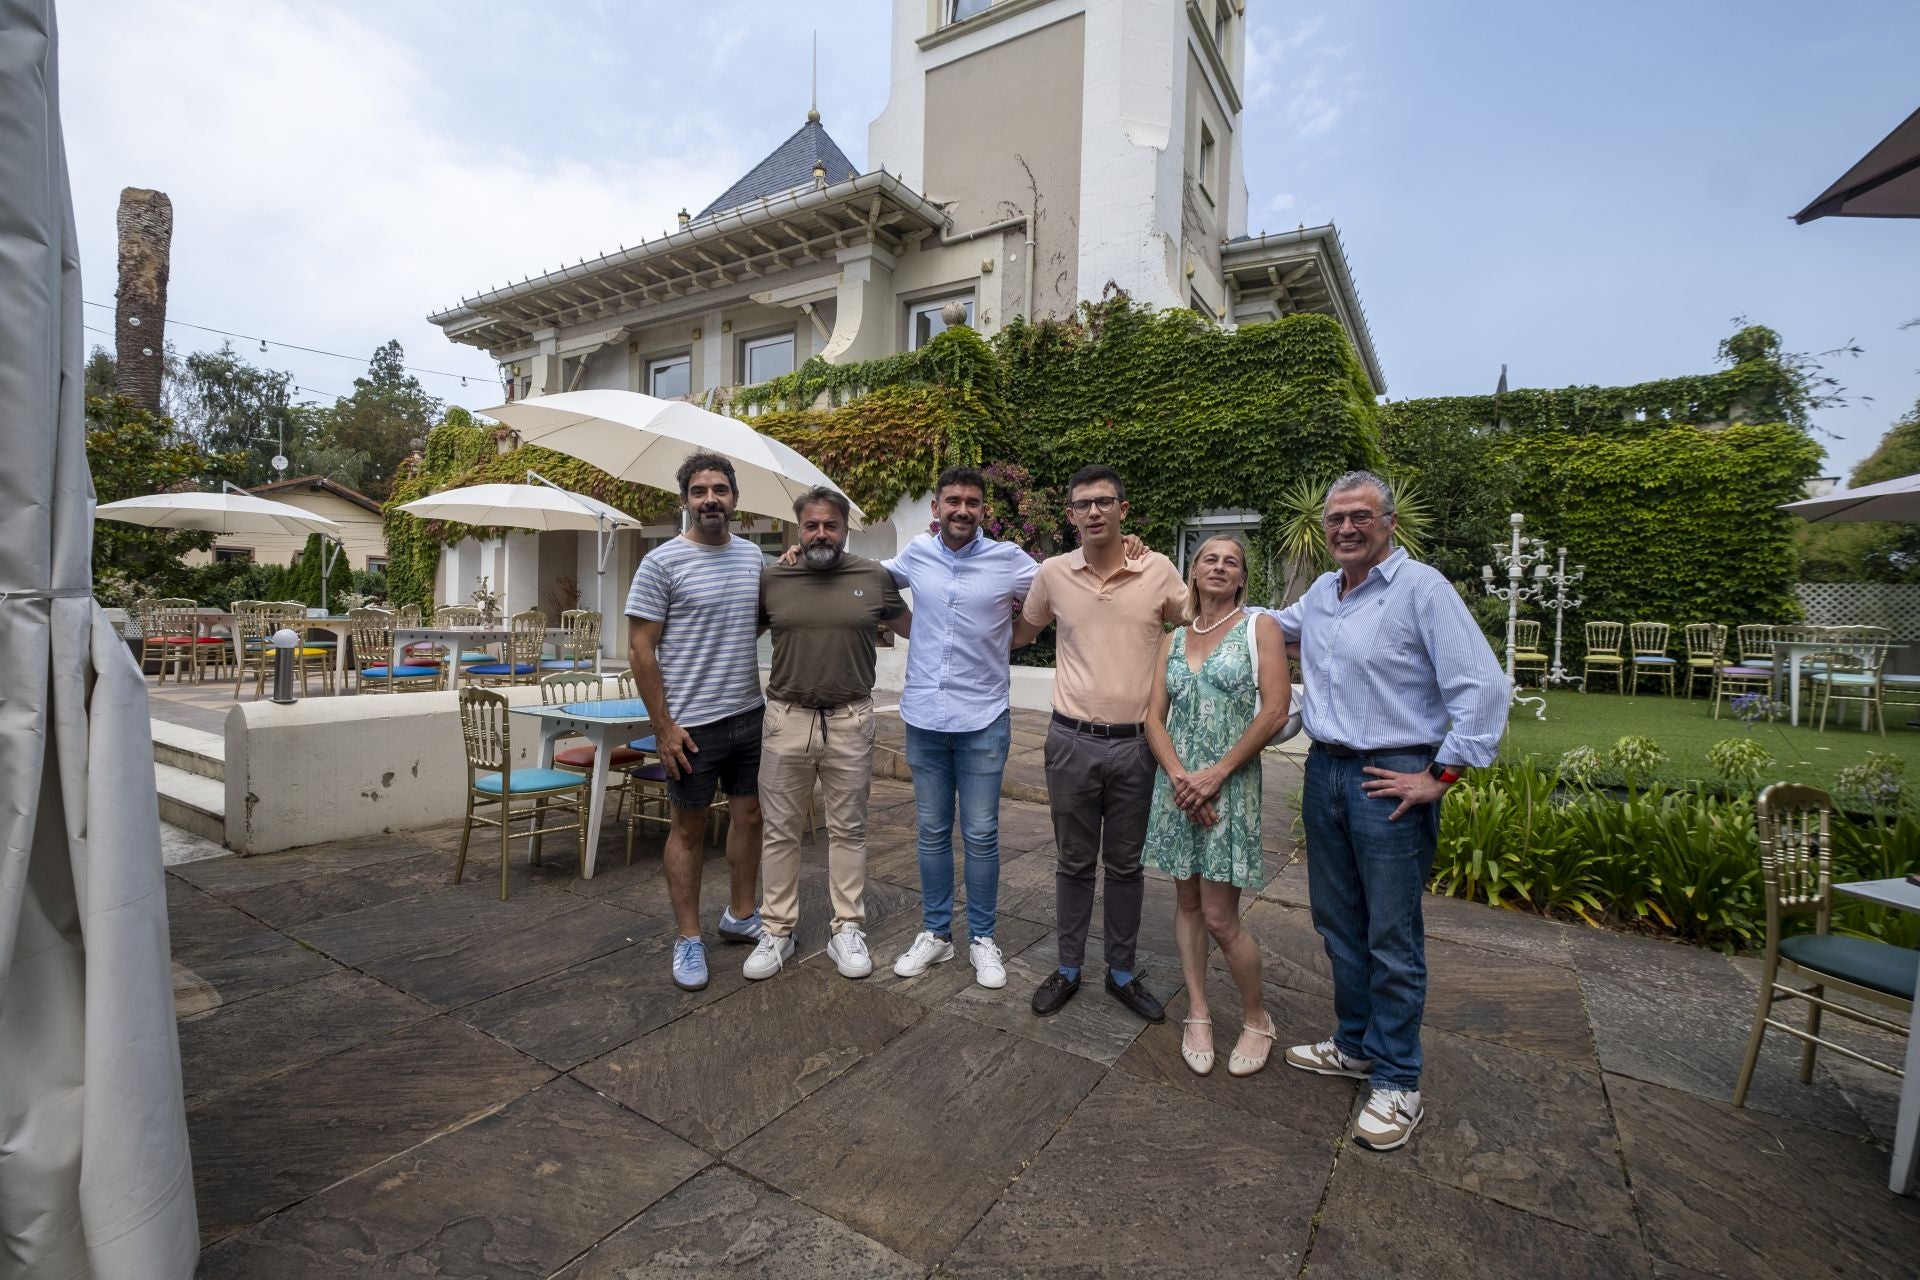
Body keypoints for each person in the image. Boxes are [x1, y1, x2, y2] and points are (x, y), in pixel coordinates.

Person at [1275, 470, 1508, 1151]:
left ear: (1389, 524)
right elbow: (1261, 623)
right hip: (1326, 774)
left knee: (1391, 937)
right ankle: (1355, 1045)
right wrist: (1181, 589)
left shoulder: (1421, 589)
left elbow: (1483, 688)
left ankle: (1399, 1079)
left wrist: (1440, 774)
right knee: (1337, 922)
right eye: (1336, 519)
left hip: (1391, 776)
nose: (1346, 528)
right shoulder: (1321, 594)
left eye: (1360, 516)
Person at [1013, 464, 1187, 1023]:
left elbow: (1201, 620)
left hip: (1138, 744)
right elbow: (1022, 630)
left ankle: (1121, 972)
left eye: (1104, 502)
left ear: (1122, 510)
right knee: (1073, 862)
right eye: (1083, 504)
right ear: (1070, 515)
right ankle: (1067, 967)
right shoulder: (1053, 573)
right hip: (1071, 741)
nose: (1093, 512)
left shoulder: (1158, 570)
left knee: (1127, 865)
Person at [742, 486, 908, 981]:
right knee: (779, 831)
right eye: (811, 525)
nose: (820, 533)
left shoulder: (873, 576)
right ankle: (776, 931)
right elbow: (738, 635)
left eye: (829, 525)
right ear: (798, 529)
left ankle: (847, 929)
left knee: (850, 828)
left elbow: (918, 629)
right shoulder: (774, 577)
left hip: (850, 719)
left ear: (845, 529)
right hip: (785, 718)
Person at [884, 466, 1038, 990]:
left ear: (983, 510)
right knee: (930, 833)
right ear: (937, 506)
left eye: (972, 502)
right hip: (924, 716)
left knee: (981, 833)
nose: (962, 510)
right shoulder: (915, 555)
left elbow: (1064, 587)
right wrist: (799, 558)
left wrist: (1018, 635)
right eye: (953, 501)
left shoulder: (1010, 560)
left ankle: (982, 938)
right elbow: (863, 579)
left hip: (983, 718)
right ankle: (936, 934)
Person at [1142, 535, 1290, 1077]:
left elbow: (1275, 710)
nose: (1220, 567)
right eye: (1210, 559)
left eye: (1232, 561)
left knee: (1221, 918)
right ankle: (1198, 1012)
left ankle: (1258, 1018)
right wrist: (1183, 779)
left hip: (1229, 788)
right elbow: (1153, 718)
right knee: (1185, 905)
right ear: (1193, 571)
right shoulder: (1172, 638)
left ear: (1243, 576)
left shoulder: (1260, 628)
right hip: (1177, 787)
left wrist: (1214, 777)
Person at [625, 451, 769, 993]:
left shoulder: (753, 557)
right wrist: (662, 726)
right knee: (687, 828)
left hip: (748, 714)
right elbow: (640, 649)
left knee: (749, 817)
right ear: (685, 500)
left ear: (734, 498)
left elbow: (752, 622)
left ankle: (741, 914)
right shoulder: (661, 562)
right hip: (690, 725)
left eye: (720, 490)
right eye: (699, 491)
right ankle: (688, 937)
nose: (710, 499)